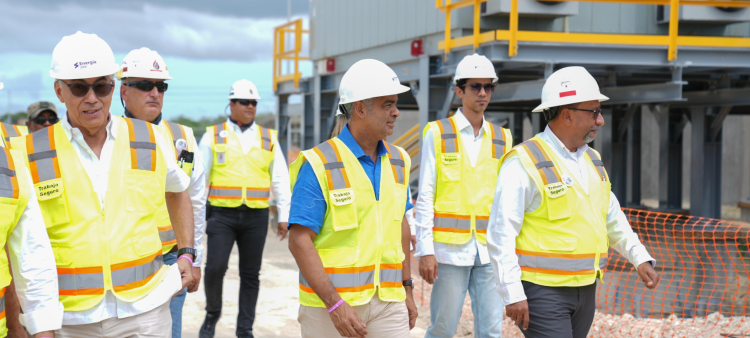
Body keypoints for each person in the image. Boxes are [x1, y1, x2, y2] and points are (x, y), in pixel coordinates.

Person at [12, 31, 195, 337]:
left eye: (101, 86)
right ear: (59, 90)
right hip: (69, 320)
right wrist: (37, 321)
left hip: (146, 311)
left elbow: (177, 191)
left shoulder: (149, 137)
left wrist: (187, 251)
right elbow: (24, 248)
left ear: (114, 85)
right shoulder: (28, 152)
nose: (92, 98)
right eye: (80, 88)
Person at [487, 66, 661, 338]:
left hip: (586, 290)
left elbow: (611, 217)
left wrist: (639, 258)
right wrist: (512, 293)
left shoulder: (592, 160)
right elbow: (501, 233)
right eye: (594, 112)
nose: (600, 120)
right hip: (542, 291)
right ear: (567, 114)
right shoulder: (523, 161)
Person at [288, 59, 418, 338]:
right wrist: (334, 304)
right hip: (331, 307)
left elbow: (401, 224)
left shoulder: (399, 160)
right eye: (387, 104)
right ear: (360, 108)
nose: (396, 112)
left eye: (395, 103)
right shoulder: (318, 163)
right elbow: (299, 240)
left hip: (388, 303)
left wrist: (407, 288)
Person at [414, 53, 512, 338]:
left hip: (489, 250)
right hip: (449, 252)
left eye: (488, 86)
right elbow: (426, 193)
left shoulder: (502, 138)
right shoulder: (437, 133)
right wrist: (425, 250)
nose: (483, 92)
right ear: (459, 90)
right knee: (443, 329)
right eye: (475, 86)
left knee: (492, 331)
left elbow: (506, 200)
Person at [117, 47, 207, 338]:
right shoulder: (108, 136)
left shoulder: (183, 137)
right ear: (123, 91)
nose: (154, 92)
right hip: (123, 261)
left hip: (171, 260)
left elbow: (195, 201)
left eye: (161, 86)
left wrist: (194, 258)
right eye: (144, 85)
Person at [198, 79, 291, 338]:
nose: (250, 106)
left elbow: (280, 178)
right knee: (215, 267)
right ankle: (212, 313)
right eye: (245, 102)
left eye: (254, 102)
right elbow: (198, 178)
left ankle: (245, 329)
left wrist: (284, 215)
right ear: (232, 104)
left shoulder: (268, 137)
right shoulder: (213, 135)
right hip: (221, 214)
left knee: (250, 275)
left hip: (256, 216)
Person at [0, 80, 63, 338]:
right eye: (41, 120)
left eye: (52, 120)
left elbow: (24, 250)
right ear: (29, 124)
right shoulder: (15, 155)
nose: (47, 125)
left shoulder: (66, 155)